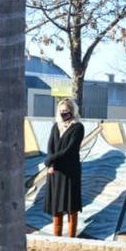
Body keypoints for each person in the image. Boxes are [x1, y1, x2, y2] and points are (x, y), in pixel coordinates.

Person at [43, 98, 85, 237]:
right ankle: (57, 236)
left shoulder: (78, 127)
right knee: (57, 204)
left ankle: (71, 237)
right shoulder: (56, 126)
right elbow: (51, 147)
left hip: (70, 171)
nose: (63, 114)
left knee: (71, 205)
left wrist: (50, 160)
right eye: (61, 111)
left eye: (66, 111)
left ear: (72, 111)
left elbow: (70, 149)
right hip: (56, 171)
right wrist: (51, 164)